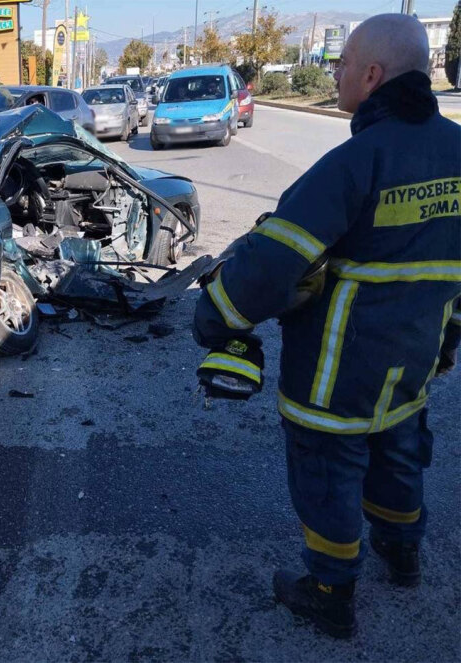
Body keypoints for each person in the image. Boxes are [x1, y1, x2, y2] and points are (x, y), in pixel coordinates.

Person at [192, 14, 460, 638]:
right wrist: (446, 345)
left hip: (334, 375)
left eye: (344, 65)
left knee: (328, 476)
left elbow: (271, 264)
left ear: (372, 76)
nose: (336, 73)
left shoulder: (355, 163)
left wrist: (215, 315)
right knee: (398, 454)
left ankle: (330, 592)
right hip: (412, 363)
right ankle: (403, 552)